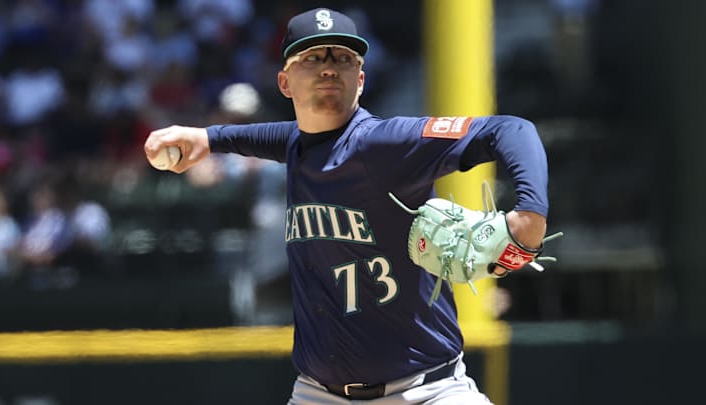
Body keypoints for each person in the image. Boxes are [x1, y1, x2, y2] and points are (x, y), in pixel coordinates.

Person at [144, 7, 550, 404]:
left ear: (360, 79)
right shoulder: (294, 144)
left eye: (343, 58)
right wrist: (209, 138)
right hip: (317, 393)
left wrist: (530, 214)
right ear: (285, 83)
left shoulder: (386, 144)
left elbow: (511, 130)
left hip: (426, 391)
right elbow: (275, 136)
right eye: (312, 57)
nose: (328, 67)